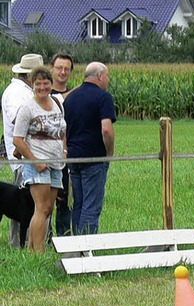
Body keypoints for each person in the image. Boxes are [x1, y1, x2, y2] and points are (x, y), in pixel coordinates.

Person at [12, 67, 66, 253]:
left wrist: (64, 149)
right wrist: (35, 161)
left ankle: (31, 249)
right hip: (37, 165)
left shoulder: (58, 103)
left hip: (56, 164)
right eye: (38, 84)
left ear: (51, 84)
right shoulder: (27, 108)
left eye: (46, 83)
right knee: (41, 208)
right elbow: (17, 140)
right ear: (33, 85)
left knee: (49, 209)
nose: (42, 87)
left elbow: (62, 130)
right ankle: (38, 251)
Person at [64, 62, 116, 235]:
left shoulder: (70, 98)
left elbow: (64, 129)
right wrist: (109, 153)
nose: (108, 80)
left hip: (74, 158)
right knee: (91, 206)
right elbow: (106, 129)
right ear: (100, 76)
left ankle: (75, 246)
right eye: (107, 76)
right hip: (94, 158)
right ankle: (86, 247)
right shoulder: (103, 97)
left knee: (78, 204)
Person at [1, 53, 44, 248]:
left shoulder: (25, 90)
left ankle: (27, 241)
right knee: (20, 204)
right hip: (23, 156)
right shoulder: (16, 92)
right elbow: (17, 119)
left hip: (31, 155)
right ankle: (16, 243)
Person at [49, 53, 75, 237]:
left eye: (67, 68)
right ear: (52, 68)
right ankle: (45, 237)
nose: (63, 72)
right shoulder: (43, 93)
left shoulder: (75, 97)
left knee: (65, 198)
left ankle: (64, 236)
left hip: (67, 154)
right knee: (44, 200)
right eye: (59, 67)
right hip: (45, 155)